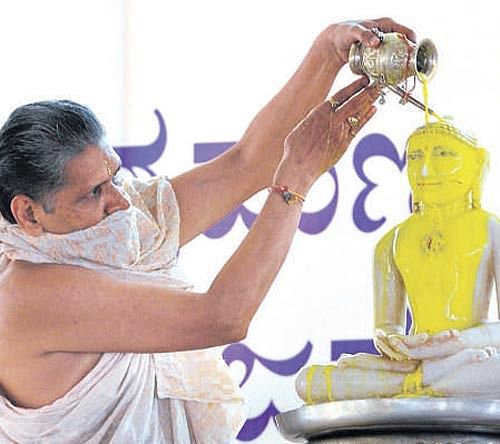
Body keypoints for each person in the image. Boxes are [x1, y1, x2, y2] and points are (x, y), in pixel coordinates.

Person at [0, 18, 413, 443]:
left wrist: (327, 53)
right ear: (29, 215)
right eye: (94, 193)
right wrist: (297, 180)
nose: (121, 204)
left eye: (116, 179)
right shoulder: (26, 294)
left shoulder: (114, 229)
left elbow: (247, 164)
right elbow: (223, 317)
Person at [296, 120, 500, 404]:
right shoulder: (390, 242)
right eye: (415, 158)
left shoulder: (492, 230)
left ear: (477, 163)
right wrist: (395, 342)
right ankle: (420, 383)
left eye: (443, 155)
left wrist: (458, 342)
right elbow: (387, 326)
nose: (426, 171)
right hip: (412, 362)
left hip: (471, 356)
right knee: (309, 382)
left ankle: (415, 385)